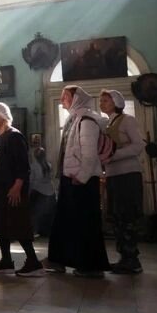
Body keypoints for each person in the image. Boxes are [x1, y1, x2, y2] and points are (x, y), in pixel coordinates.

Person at [47, 86, 110, 278]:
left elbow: (89, 155)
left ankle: (90, 266)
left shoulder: (87, 121)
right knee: (65, 221)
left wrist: (81, 177)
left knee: (85, 224)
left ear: (76, 99)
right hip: (71, 179)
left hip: (83, 181)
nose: (62, 101)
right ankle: (60, 261)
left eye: (66, 97)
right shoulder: (73, 119)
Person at [0, 102, 44, 277]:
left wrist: (17, 186)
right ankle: (6, 261)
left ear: (1, 116)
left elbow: (22, 166)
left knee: (19, 224)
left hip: (12, 190)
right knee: (1, 225)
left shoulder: (14, 136)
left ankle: (33, 262)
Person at [99, 89, 146, 274]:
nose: (102, 103)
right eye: (101, 100)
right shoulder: (107, 123)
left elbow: (139, 145)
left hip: (128, 175)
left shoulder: (127, 120)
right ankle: (124, 258)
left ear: (116, 102)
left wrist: (112, 156)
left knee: (127, 217)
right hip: (113, 175)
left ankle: (132, 260)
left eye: (106, 100)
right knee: (117, 217)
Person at [29, 147, 56, 237]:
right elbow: (51, 178)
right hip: (50, 191)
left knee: (35, 213)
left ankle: (35, 231)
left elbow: (31, 180)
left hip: (38, 191)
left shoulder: (33, 166)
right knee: (48, 214)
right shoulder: (49, 165)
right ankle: (47, 231)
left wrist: (29, 191)